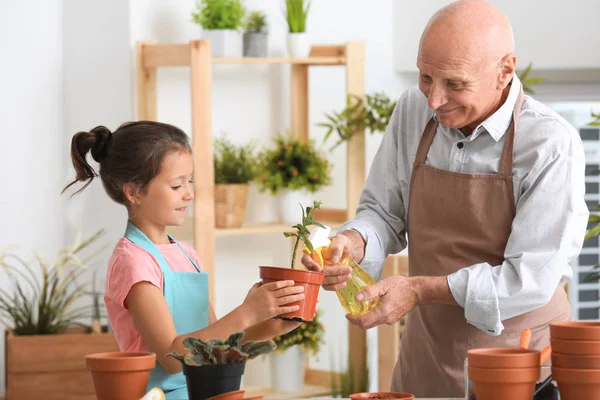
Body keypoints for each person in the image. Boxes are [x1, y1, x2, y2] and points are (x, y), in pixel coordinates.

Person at [302, 0, 588, 397]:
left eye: (455, 84)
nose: (434, 100)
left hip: (519, 366)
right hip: (427, 357)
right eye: (424, 77)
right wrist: (353, 242)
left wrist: (418, 289)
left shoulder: (549, 144)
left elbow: (529, 279)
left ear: (505, 71)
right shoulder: (411, 111)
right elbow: (384, 212)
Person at [63, 121, 306, 399]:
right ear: (134, 192)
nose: (189, 193)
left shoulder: (186, 254)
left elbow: (215, 346)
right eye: (177, 184)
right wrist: (247, 312)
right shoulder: (133, 262)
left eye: (189, 181)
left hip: (207, 391)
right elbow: (172, 356)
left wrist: (272, 323)